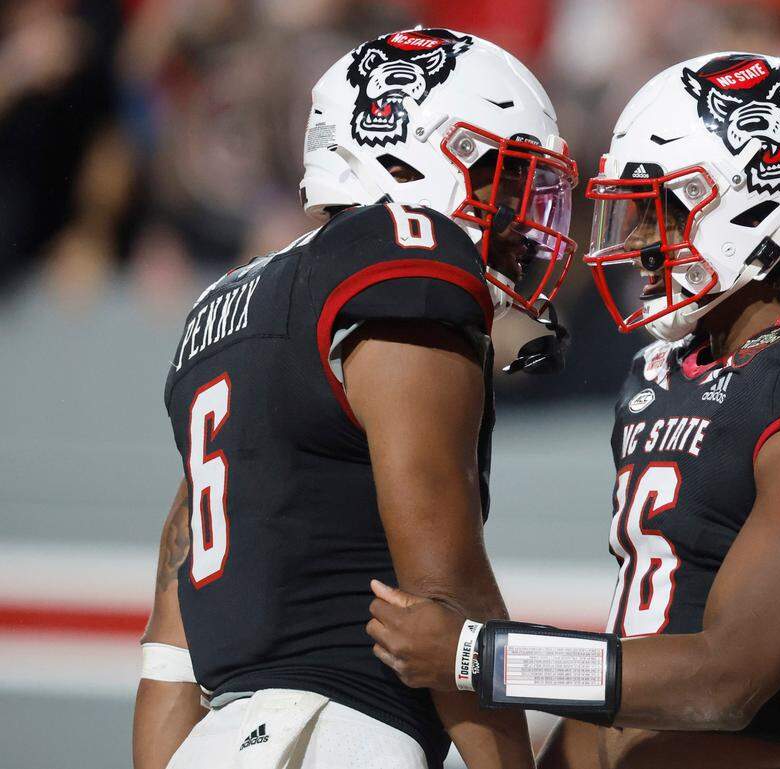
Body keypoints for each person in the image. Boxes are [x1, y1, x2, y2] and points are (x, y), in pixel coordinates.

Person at [366, 53, 780, 769]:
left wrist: (481, 655)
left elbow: (727, 679)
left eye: (658, 209)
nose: (634, 242)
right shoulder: (661, 372)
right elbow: (640, 644)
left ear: (749, 198)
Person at [131, 28, 577, 769]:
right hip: (343, 738)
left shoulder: (227, 301)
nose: (517, 215)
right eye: (503, 177)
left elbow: (170, 644)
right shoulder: (404, 259)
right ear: (414, 155)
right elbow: (445, 591)